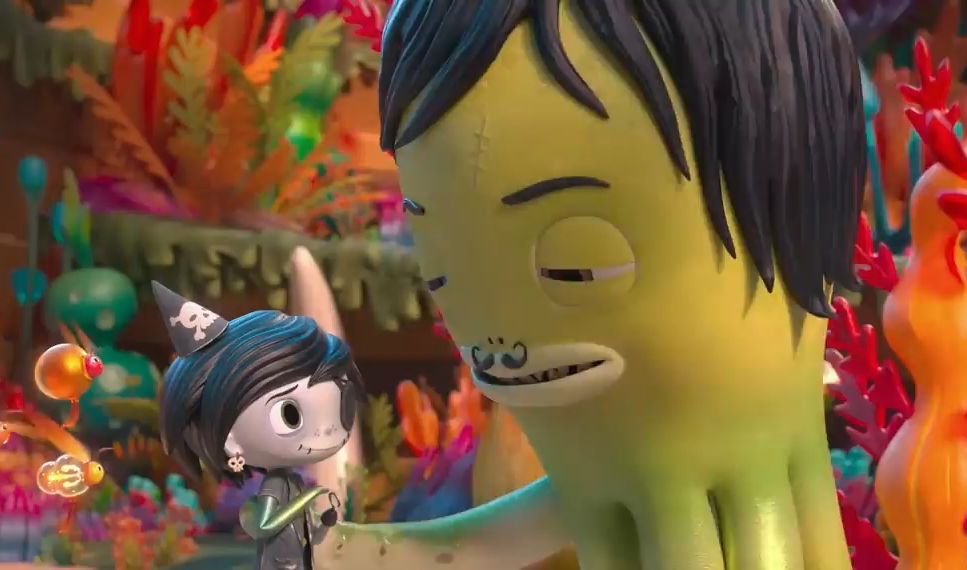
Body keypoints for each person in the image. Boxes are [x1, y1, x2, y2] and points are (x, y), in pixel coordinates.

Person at [316, 1, 866, 569]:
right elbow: (480, 543)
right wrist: (329, 549)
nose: (500, 345)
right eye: (441, 273)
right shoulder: (587, 480)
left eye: (575, 268)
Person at [153, 281, 363, 570]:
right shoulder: (276, 485)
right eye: (290, 415)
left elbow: (305, 532)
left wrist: (322, 524)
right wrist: (308, 499)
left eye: (342, 405)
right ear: (230, 441)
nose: (326, 431)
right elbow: (262, 525)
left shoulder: (294, 482)